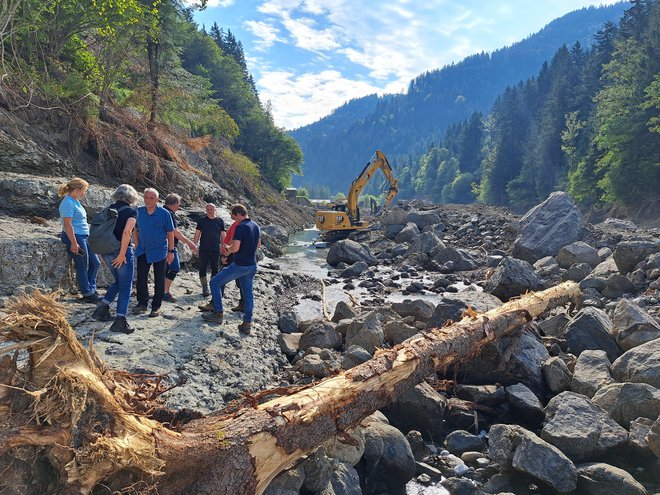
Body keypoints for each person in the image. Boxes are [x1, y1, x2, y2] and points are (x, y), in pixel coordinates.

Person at [201, 204, 260, 334]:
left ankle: (218, 313)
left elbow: (235, 248)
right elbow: (258, 245)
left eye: (234, 217)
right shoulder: (255, 226)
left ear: (239, 214)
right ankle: (247, 323)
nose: (234, 220)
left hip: (239, 265)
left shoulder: (240, 227)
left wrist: (227, 248)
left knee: (214, 283)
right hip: (252, 265)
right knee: (248, 293)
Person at [91, 184, 139, 334]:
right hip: (121, 252)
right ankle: (120, 321)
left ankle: (102, 308)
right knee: (126, 287)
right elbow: (127, 232)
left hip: (106, 250)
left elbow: (98, 233)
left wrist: (101, 253)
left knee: (119, 282)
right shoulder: (131, 211)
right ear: (131, 197)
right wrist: (122, 254)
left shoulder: (108, 210)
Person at [133, 188, 175, 318]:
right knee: (141, 277)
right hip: (143, 250)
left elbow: (170, 233)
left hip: (160, 251)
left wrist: (171, 251)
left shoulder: (164, 214)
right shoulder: (138, 212)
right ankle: (142, 303)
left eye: (151, 198)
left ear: (157, 200)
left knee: (159, 279)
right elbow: (135, 229)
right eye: (146, 197)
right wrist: (136, 244)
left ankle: (156, 306)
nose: (148, 200)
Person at [58, 177, 100, 303]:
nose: (84, 193)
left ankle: (91, 288)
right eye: (84, 190)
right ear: (77, 190)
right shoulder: (67, 203)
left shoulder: (75, 201)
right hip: (76, 236)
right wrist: (74, 242)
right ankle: (87, 293)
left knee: (95, 263)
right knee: (83, 265)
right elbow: (68, 224)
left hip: (84, 236)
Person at [162, 193, 197, 303]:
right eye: (179, 203)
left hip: (161, 245)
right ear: (175, 203)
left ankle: (161, 290)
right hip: (169, 246)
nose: (179, 206)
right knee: (174, 268)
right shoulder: (169, 214)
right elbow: (174, 232)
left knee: (165, 269)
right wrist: (189, 242)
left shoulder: (161, 211)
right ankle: (165, 292)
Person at [193, 203, 225, 297]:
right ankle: (204, 287)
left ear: (215, 210)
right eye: (208, 209)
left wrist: (224, 246)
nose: (210, 211)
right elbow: (197, 233)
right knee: (202, 267)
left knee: (215, 268)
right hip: (204, 248)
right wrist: (194, 244)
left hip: (216, 249)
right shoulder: (202, 220)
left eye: (212, 209)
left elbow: (223, 234)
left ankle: (213, 286)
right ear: (206, 210)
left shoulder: (220, 221)